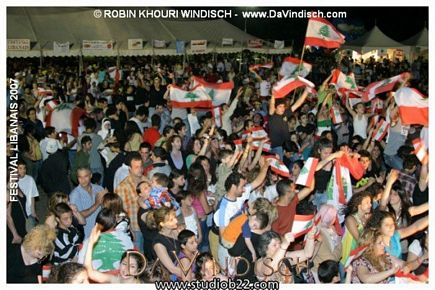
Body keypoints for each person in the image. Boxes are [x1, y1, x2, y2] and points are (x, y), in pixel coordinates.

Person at [268, 87, 310, 159]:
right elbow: (272, 105)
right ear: (275, 108)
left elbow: (297, 104)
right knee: (280, 168)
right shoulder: (272, 116)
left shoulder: (285, 113)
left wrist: (306, 91)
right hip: (277, 148)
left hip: (288, 146)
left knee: (297, 161)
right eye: (280, 107)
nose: (282, 108)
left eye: (283, 106)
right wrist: (273, 94)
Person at [146, 206, 184, 279]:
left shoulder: (176, 231)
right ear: (162, 224)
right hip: (170, 278)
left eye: (175, 217)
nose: (176, 221)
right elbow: (172, 269)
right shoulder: (158, 244)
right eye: (171, 220)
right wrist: (191, 275)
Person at [70, 167, 108, 239]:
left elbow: (106, 209)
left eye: (85, 176)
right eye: (80, 177)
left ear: (91, 175)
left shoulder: (99, 189)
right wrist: (97, 204)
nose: (83, 180)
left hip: (102, 233)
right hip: (87, 236)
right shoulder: (74, 195)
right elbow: (79, 216)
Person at [340, 192, 372, 267]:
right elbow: (359, 239)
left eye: (370, 202)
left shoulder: (366, 219)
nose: (370, 205)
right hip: (347, 259)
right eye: (367, 203)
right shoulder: (350, 219)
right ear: (359, 205)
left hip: (358, 257)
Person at [17, 159, 39, 230]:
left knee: (31, 234)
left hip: (29, 212)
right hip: (18, 213)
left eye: (24, 168)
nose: (23, 170)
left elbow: (32, 196)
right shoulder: (12, 181)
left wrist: (33, 212)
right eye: (20, 168)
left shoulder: (30, 179)